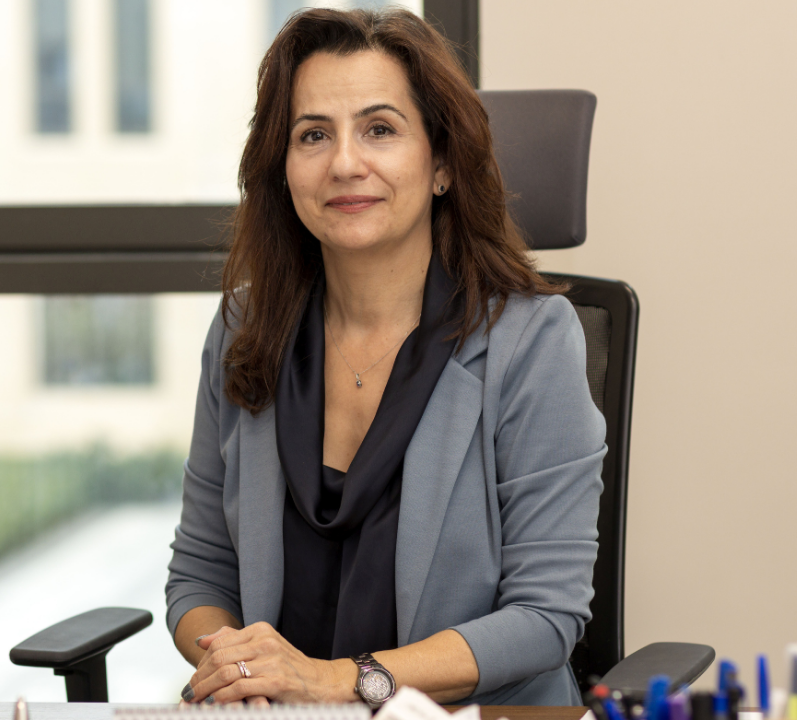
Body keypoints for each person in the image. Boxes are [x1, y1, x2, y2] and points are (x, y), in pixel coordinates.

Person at [165, 6, 605, 708]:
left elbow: (543, 617)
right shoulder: (246, 329)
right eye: (313, 134)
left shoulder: (530, 340)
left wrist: (335, 681)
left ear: (440, 164)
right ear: (283, 170)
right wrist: (240, 668)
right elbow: (200, 574)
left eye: (380, 129)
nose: (345, 163)